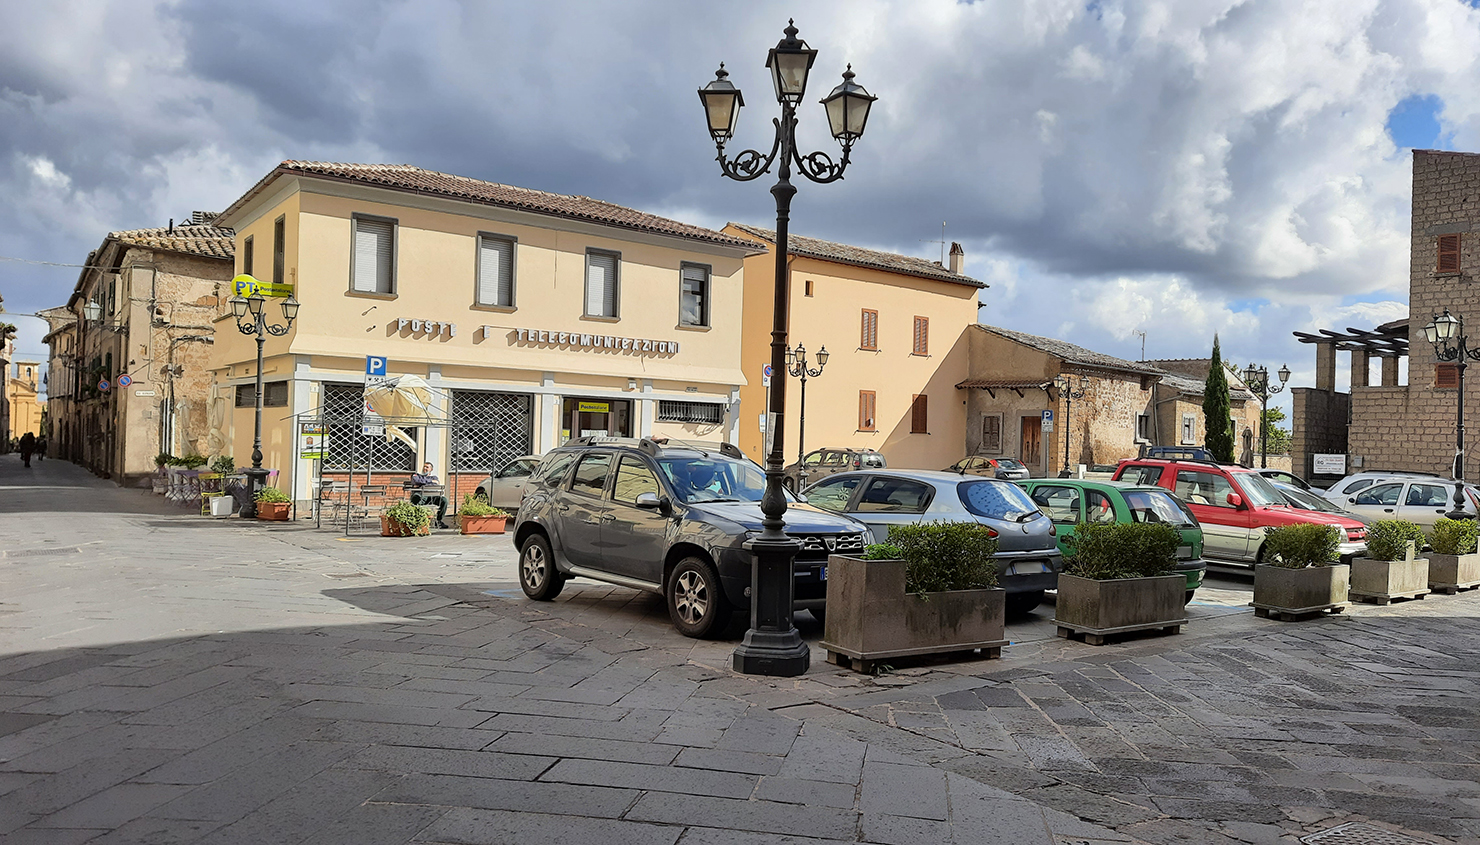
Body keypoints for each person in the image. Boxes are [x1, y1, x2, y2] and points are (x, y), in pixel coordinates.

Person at [409, 461, 448, 528]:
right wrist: (430, 482)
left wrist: (422, 483)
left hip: (432, 496)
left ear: (431, 469)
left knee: (444, 500)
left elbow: (436, 483)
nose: (425, 468)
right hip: (421, 495)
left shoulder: (434, 477)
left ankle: (439, 521)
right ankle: (414, 520)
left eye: (427, 467)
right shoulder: (417, 475)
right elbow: (416, 481)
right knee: (415, 497)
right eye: (424, 466)